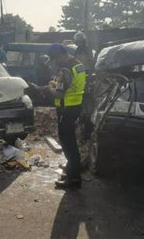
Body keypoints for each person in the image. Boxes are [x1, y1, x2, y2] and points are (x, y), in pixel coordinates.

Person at [46, 43, 86, 188]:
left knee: (68, 144)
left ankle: (73, 177)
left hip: (66, 109)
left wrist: (48, 88)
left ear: (61, 55)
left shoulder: (66, 69)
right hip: (75, 106)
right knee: (71, 141)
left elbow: (59, 92)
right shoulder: (78, 65)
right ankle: (72, 169)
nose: (55, 62)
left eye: (55, 58)